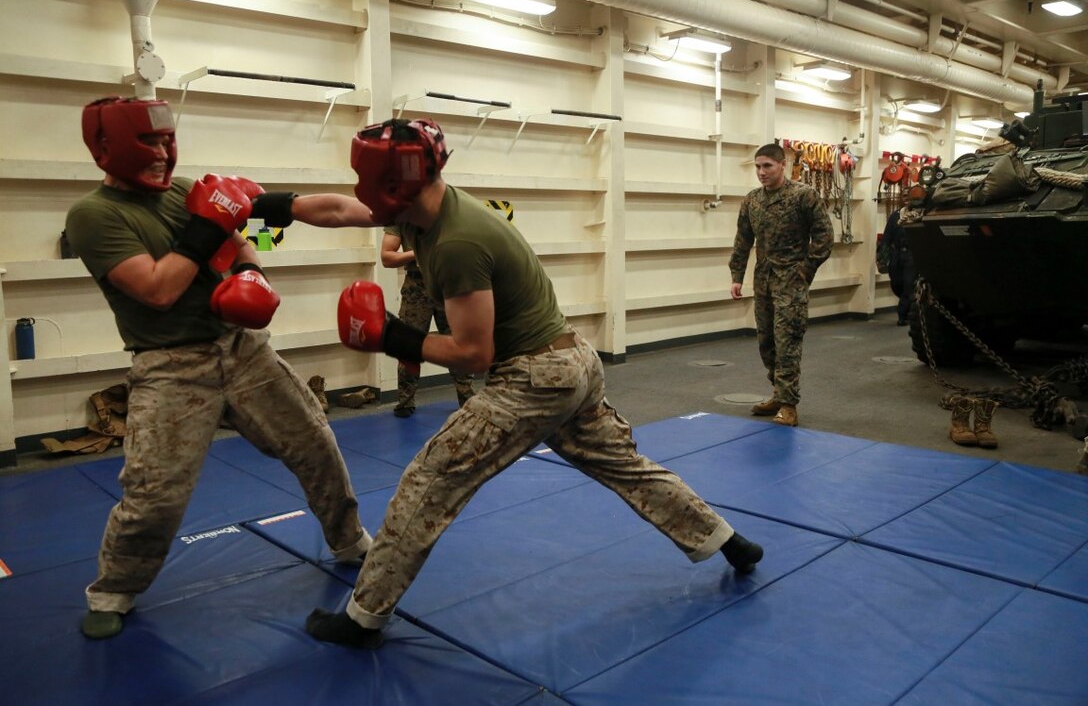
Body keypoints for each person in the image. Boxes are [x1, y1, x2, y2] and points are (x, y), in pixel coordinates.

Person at [305, 117, 765, 649]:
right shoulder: (426, 204)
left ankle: (363, 619)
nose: (359, 190)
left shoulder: (455, 242)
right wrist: (264, 207)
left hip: (533, 379)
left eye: (367, 178)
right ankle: (728, 542)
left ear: (393, 186)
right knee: (626, 467)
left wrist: (391, 337)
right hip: (574, 359)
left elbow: (474, 355)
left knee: (430, 480)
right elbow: (340, 209)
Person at [67, 96, 375, 639]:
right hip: (170, 366)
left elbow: (238, 249)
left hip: (243, 349)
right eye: (150, 143)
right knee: (155, 494)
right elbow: (158, 289)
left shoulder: (187, 193)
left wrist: (253, 279)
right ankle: (115, 588)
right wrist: (205, 230)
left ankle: (349, 540)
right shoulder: (95, 215)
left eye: (168, 141)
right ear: (105, 148)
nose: (164, 153)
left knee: (314, 443)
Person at [730, 142, 834, 428]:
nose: (761, 172)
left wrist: (806, 269)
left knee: (788, 341)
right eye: (758, 167)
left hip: (791, 279)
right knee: (767, 342)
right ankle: (777, 393)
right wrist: (736, 276)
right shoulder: (752, 200)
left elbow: (825, 236)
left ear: (782, 165)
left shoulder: (804, 196)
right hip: (763, 279)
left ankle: (789, 405)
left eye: (767, 166)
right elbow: (742, 240)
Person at [380, 223, 474, 417]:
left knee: (458, 344)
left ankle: (467, 399)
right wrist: (417, 253)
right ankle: (405, 402)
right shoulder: (401, 220)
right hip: (416, 287)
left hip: (447, 286)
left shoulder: (449, 216)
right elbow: (387, 257)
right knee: (408, 345)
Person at [880, 208, 916, 326]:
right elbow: (886, 237)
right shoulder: (896, 215)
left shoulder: (919, 213)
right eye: (904, 195)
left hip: (912, 254)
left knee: (908, 283)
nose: (906, 198)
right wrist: (884, 258)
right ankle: (908, 304)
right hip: (897, 254)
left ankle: (903, 314)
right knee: (896, 283)